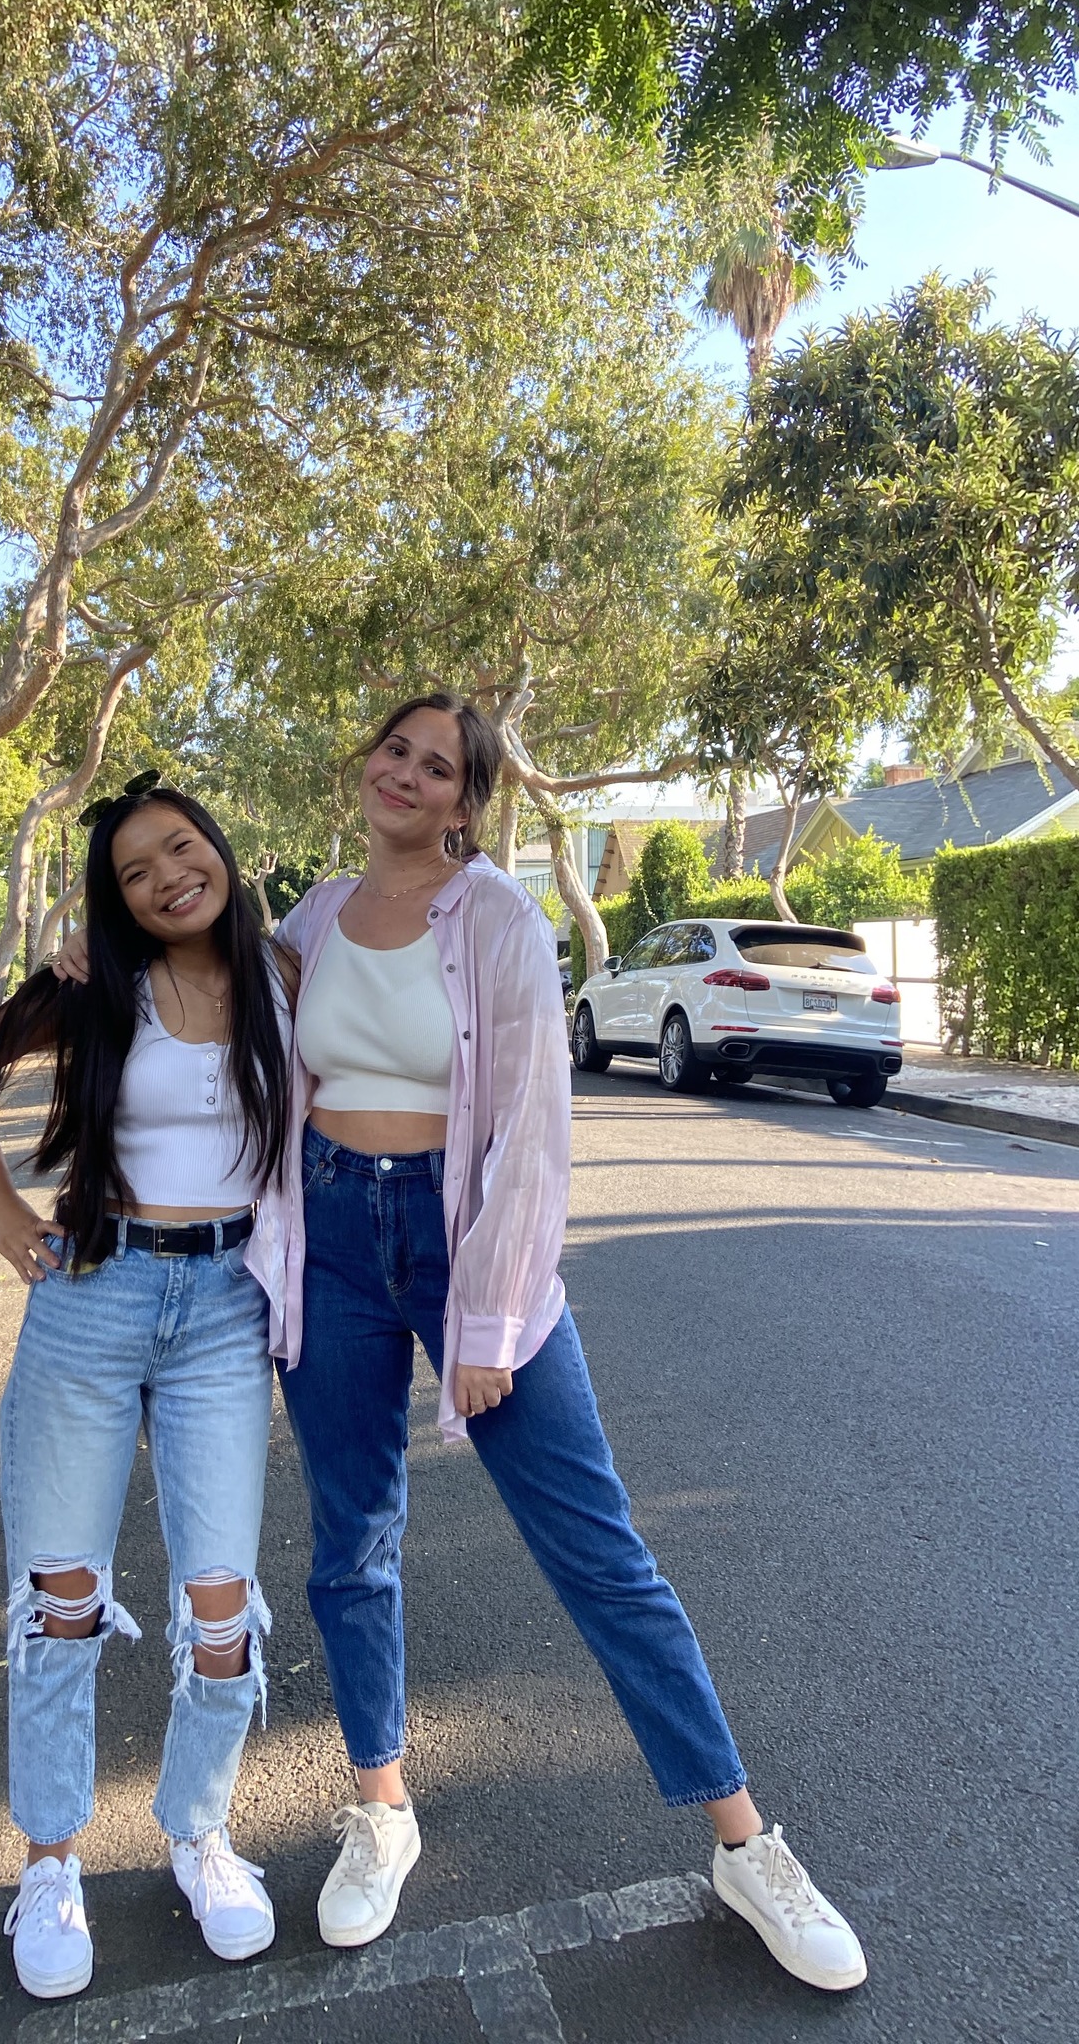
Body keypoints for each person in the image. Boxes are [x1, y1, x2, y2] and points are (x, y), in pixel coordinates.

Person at [250, 692, 868, 1994]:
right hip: (336, 1248)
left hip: (468, 1241)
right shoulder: (309, 916)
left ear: (468, 802)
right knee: (350, 1542)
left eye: (437, 767)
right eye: (395, 753)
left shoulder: (502, 922)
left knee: (599, 1550)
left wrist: (485, 1317)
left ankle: (744, 1842)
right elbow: (217, 1007)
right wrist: (97, 965)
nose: (407, 776)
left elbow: (533, 1130)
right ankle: (382, 1807)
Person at [0, 775, 290, 2002]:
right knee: (62, 1595)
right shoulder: (101, 984)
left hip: (226, 1307)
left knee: (220, 1605)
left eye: (180, 848)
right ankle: (50, 1860)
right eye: (135, 871)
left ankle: (199, 1833)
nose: (163, 878)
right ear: (116, 896)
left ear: (220, 848)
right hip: (95, 1293)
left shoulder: (285, 975)